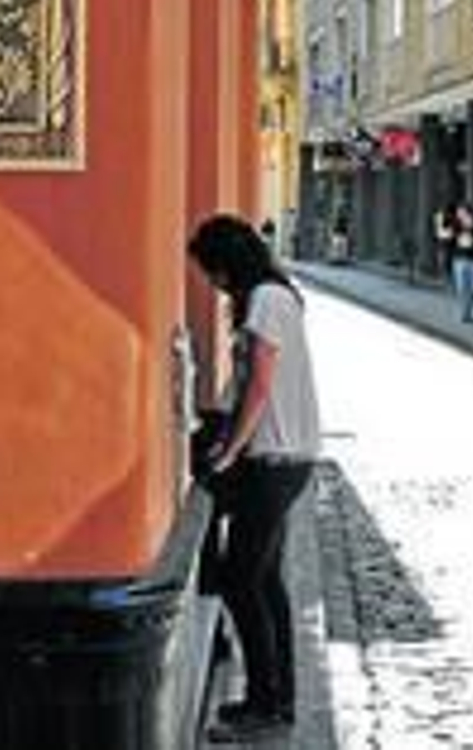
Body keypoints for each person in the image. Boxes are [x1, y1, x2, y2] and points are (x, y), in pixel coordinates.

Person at [188, 214, 322, 741]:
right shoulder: (278, 296)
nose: (213, 283)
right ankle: (276, 699)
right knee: (264, 580)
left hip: (274, 458)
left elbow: (261, 384)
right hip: (289, 456)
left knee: (241, 579)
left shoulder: (265, 300)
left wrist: (229, 450)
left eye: (212, 272)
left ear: (227, 265)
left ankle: (266, 704)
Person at [447, 203, 473, 322]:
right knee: (461, 288)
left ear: (468, 213)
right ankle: (465, 313)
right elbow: (446, 236)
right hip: (459, 261)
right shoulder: (456, 227)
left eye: (461, 212)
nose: (458, 214)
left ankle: (468, 308)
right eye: (458, 212)